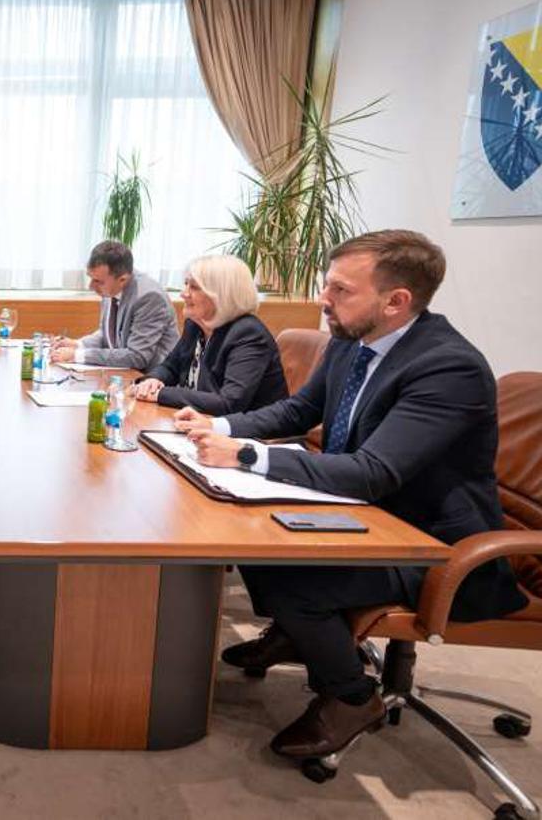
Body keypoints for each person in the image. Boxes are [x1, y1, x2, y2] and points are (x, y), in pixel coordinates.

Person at [175, 230, 525, 761]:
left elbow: (373, 472)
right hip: (370, 515)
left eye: (340, 289)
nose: (323, 298)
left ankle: (352, 696)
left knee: (297, 579)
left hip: (432, 545)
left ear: (396, 301)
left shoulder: (448, 367)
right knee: (246, 530)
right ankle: (298, 636)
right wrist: (217, 425)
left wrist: (245, 456)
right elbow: (298, 411)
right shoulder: (351, 340)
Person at [128, 255, 287, 414]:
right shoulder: (196, 325)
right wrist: (153, 380)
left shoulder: (248, 334)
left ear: (222, 295)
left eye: (194, 287)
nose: (184, 294)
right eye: (186, 284)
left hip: (246, 428)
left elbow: (229, 403)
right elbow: (171, 367)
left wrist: (161, 394)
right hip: (201, 422)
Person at [50, 240, 178, 370]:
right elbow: (108, 335)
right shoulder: (110, 286)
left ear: (122, 279)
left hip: (151, 376)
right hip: (124, 373)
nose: (91, 286)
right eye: (91, 278)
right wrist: (78, 344)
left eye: (98, 281)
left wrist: (77, 355)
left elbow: (137, 356)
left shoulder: (149, 297)